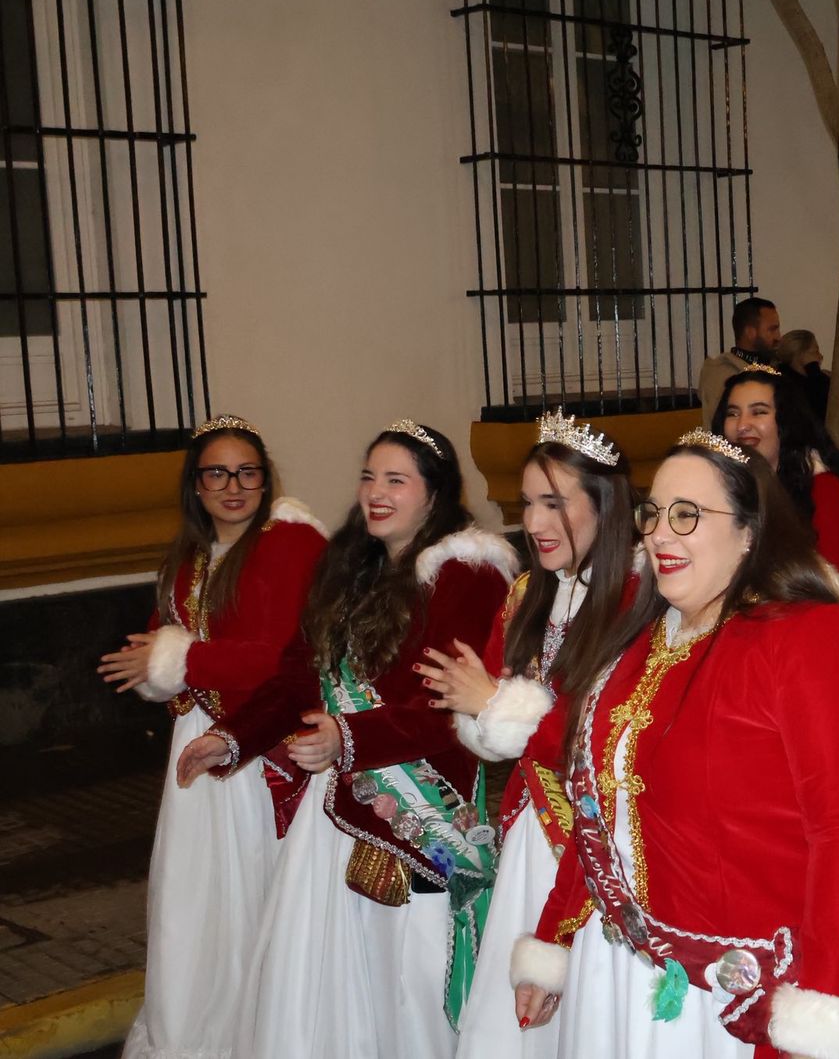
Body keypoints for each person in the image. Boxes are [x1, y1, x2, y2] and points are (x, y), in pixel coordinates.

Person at [507, 430, 839, 1059]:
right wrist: (554, 937)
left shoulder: (811, 638)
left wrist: (820, 1011)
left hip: (749, 1000)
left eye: (688, 515)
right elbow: (601, 816)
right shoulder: (636, 644)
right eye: (654, 513)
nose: (660, 535)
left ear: (751, 529)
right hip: (622, 977)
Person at [174, 419, 519, 1059]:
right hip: (333, 815)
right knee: (320, 984)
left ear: (435, 493)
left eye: (396, 480)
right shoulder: (348, 565)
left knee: (402, 989)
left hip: (415, 818)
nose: (376, 493)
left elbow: (443, 707)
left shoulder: (467, 576)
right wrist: (232, 739)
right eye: (368, 477)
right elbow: (298, 674)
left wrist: (346, 735)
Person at [101, 414, 326, 1059]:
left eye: (246, 471)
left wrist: (178, 659)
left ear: (265, 478)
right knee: (193, 896)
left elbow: (287, 657)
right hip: (193, 737)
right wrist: (154, 661)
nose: (233, 486)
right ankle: (194, 1027)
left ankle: (256, 1033)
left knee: (249, 893)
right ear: (195, 486)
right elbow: (164, 630)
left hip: (257, 748)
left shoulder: (291, 545)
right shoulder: (189, 556)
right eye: (217, 473)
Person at [420, 411, 636, 1056]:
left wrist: (496, 707)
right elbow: (484, 702)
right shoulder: (525, 595)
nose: (534, 524)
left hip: (608, 846)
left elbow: (616, 738)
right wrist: (481, 711)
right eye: (526, 504)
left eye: (554, 503)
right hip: (533, 839)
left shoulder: (642, 597)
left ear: (605, 504)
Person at [713, 365, 839, 586]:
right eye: (732, 413)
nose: (742, 425)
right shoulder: (720, 488)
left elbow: (837, 592)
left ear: (786, 421)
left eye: (759, 411)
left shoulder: (825, 493)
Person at [697, 297, 782, 426]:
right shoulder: (722, 375)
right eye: (772, 329)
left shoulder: (774, 368)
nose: (778, 337)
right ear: (750, 333)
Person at [775, 328, 831, 421]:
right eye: (815, 351)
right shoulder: (784, 384)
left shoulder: (817, 378)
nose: (821, 356)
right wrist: (813, 369)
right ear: (800, 354)